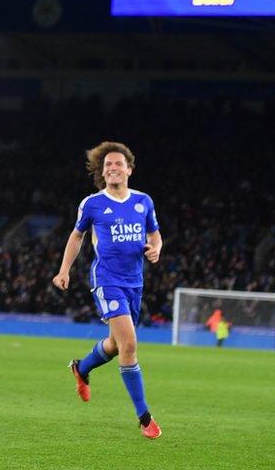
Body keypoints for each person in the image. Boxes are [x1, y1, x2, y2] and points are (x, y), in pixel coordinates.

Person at [51, 141, 163, 439]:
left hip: (135, 283)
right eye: (107, 165)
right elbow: (77, 237)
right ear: (103, 173)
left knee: (115, 345)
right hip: (107, 280)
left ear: (129, 169)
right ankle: (144, 417)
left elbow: (155, 234)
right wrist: (64, 270)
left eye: (118, 163)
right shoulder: (93, 204)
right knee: (129, 345)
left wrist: (156, 249)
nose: (112, 168)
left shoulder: (144, 201)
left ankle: (81, 367)